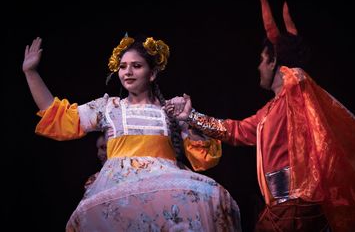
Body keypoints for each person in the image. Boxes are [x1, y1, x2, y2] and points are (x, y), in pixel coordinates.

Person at [166, 0, 355, 232]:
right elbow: (235, 131)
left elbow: (299, 81)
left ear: (274, 60)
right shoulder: (268, 112)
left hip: (297, 211)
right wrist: (190, 116)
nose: (259, 67)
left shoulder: (297, 94)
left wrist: (289, 61)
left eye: (262, 59)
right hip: (280, 210)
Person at [23, 34, 242, 231]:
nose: (127, 72)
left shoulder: (170, 111)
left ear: (153, 73)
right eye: (123, 66)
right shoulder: (109, 108)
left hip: (162, 189)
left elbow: (203, 158)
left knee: (214, 197)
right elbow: (61, 118)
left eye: (136, 66)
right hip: (120, 191)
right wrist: (31, 73)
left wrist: (189, 117)